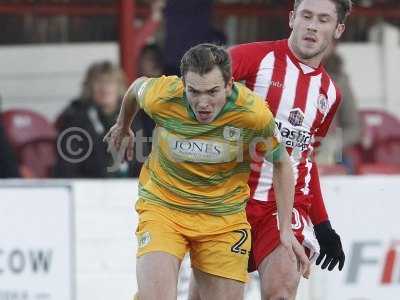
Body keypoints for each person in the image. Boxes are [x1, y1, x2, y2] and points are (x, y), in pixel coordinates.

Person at [103, 43, 310, 300]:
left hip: (222, 220)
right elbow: (135, 89)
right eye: (194, 91)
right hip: (164, 209)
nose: (203, 103)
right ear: (183, 84)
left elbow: (281, 164)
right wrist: (123, 125)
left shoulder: (252, 114)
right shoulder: (163, 96)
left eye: (212, 92)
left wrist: (286, 230)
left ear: (229, 84)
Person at [188, 0, 350, 299]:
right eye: (307, 16)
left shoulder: (329, 93)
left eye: (324, 19)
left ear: (338, 28)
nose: (312, 25)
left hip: (281, 210)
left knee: (282, 289)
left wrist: (323, 224)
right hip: (228, 202)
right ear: (292, 18)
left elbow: (304, 159)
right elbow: (193, 87)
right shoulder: (253, 58)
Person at [53, 60, 146, 178]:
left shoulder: (133, 116)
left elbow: (142, 160)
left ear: (119, 86)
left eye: (110, 82)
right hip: (88, 188)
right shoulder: (75, 118)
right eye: (99, 82)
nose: (104, 88)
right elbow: (67, 167)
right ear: (89, 87)